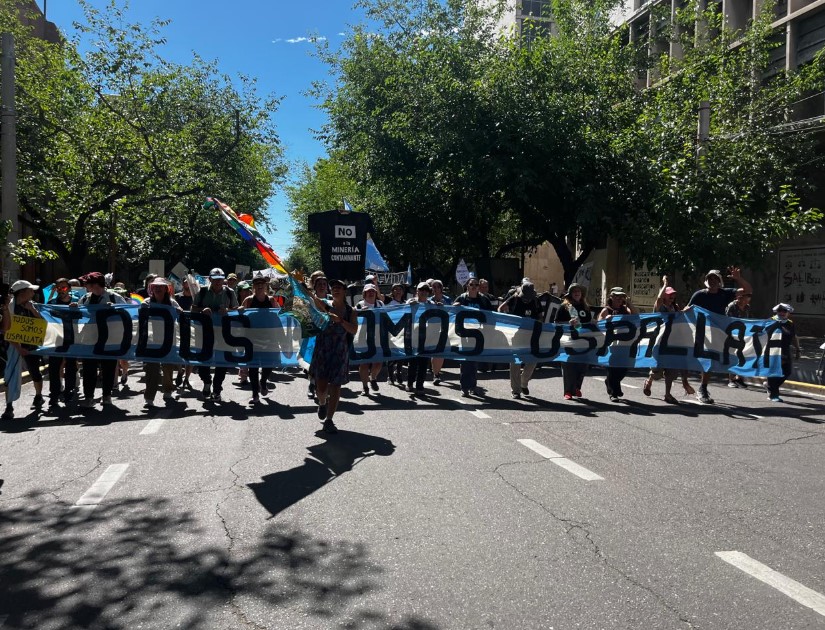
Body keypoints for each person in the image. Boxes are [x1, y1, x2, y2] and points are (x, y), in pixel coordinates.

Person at [686, 268, 752, 404]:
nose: (712, 281)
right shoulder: (699, 295)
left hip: (719, 333)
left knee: (712, 359)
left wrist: (738, 278)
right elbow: (688, 309)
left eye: (715, 278)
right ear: (706, 281)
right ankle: (701, 388)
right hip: (702, 332)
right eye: (710, 278)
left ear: (719, 281)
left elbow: (748, 290)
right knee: (707, 358)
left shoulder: (725, 293)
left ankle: (703, 387)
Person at [311, 278, 358, 434]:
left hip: (340, 351)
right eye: (334, 287)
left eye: (339, 287)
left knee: (336, 386)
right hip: (323, 349)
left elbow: (353, 330)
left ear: (344, 291)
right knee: (322, 386)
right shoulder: (324, 305)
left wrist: (341, 321)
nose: (336, 289)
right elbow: (312, 298)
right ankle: (322, 402)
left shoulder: (351, 311)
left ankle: (329, 420)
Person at [73, 272, 126, 408]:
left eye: (87, 283)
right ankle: (89, 397)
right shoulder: (85, 298)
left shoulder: (115, 297)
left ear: (95, 284)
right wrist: (74, 309)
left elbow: (127, 314)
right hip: (89, 339)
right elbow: (78, 316)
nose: (85, 285)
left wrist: (115, 309)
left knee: (109, 367)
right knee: (89, 368)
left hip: (110, 339)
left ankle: (107, 395)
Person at [642, 276, 694, 403]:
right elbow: (659, 299)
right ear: (665, 295)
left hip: (674, 344)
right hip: (660, 344)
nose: (672, 297)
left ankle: (667, 394)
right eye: (669, 294)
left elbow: (679, 319)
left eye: (673, 295)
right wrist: (665, 284)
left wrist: (684, 311)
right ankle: (649, 381)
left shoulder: (675, 308)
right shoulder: (660, 307)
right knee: (657, 372)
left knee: (672, 371)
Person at [192, 267, 238, 402]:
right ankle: (207, 381)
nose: (218, 282)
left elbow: (236, 310)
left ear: (223, 279)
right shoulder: (203, 291)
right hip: (204, 333)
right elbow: (192, 309)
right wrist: (202, 310)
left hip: (223, 333)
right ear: (210, 279)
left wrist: (227, 311)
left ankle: (217, 389)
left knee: (222, 362)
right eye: (215, 279)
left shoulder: (230, 292)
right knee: (202, 360)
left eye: (220, 279)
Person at [1, 280, 45, 419]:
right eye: (30, 290)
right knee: (11, 374)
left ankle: (38, 396)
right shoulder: (9, 307)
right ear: (23, 292)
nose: (33, 292)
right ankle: (9, 407)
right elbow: (7, 330)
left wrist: (32, 310)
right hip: (13, 347)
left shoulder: (32, 305)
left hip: (30, 346)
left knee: (35, 372)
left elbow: (43, 324)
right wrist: (18, 348)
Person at [142, 278, 182, 408]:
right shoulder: (146, 302)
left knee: (168, 367)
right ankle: (149, 398)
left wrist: (180, 312)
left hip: (168, 341)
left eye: (161, 286)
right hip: (151, 342)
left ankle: (168, 390)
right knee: (151, 370)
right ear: (152, 288)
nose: (158, 288)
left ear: (166, 289)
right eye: (155, 286)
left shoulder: (172, 303)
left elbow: (180, 316)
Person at [498, 279, 542, 398]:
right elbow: (500, 309)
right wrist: (507, 321)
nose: (526, 299)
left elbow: (540, 316)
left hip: (531, 334)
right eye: (525, 297)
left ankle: (523, 382)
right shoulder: (515, 298)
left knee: (533, 360)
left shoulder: (536, 301)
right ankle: (516, 390)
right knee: (515, 362)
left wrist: (539, 324)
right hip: (516, 334)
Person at [239, 273, 277, 405]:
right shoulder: (248, 300)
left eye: (262, 284)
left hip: (269, 339)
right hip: (252, 340)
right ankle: (255, 394)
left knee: (268, 365)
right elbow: (241, 316)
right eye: (257, 284)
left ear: (266, 286)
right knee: (253, 367)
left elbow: (279, 317)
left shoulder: (271, 300)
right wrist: (240, 310)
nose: (260, 286)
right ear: (253, 286)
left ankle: (264, 381)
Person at [453, 275, 493, 397]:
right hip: (465, 333)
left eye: (476, 285)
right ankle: (464, 387)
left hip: (478, 334)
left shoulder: (484, 300)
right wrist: (455, 307)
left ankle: (473, 386)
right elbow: (452, 312)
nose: (474, 287)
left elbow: (490, 315)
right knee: (465, 361)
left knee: (475, 361)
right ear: (467, 287)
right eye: (472, 285)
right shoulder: (462, 298)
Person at [597, 288, 636, 402]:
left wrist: (629, 303)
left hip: (624, 345)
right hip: (611, 346)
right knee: (613, 369)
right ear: (611, 297)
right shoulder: (607, 310)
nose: (620, 299)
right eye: (617, 296)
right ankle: (613, 393)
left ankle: (610, 382)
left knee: (623, 369)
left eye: (622, 297)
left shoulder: (625, 310)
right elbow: (599, 324)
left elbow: (636, 316)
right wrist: (606, 320)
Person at [555, 283, 592, 400]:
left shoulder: (585, 307)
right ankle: (568, 391)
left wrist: (595, 322)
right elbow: (556, 323)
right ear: (570, 294)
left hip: (583, 341)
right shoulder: (564, 307)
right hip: (568, 340)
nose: (577, 293)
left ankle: (576, 387)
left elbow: (589, 322)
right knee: (568, 365)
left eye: (579, 291)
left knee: (583, 365)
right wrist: (568, 323)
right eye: (574, 291)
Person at [45, 278, 78, 406]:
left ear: (69, 289)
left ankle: (69, 392)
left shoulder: (77, 302)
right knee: (53, 368)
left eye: (64, 288)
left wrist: (76, 309)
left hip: (72, 338)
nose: (61, 291)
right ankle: (54, 394)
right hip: (56, 339)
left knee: (71, 366)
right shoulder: (52, 302)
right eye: (59, 288)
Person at [765, 303, 801, 403]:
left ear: (788, 313)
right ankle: (773, 394)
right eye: (780, 311)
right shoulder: (770, 321)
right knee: (774, 372)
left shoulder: (790, 323)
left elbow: (794, 337)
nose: (782, 313)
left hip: (785, 350)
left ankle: (770, 386)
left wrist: (798, 349)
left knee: (787, 372)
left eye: (784, 311)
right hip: (772, 350)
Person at [406, 282, 435, 392]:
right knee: (413, 363)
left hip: (426, 339)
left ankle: (419, 386)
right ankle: (409, 383)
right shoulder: (410, 302)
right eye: (421, 290)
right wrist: (408, 307)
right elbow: (402, 314)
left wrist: (440, 307)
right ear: (417, 291)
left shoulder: (431, 303)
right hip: (413, 338)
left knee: (423, 364)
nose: (423, 292)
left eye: (426, 290)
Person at [355, 283, 384, 395]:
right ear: (364, 293)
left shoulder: (380, 303)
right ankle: (365, 387)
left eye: (373, 291)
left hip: (378, 337)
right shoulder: (359, 304)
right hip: (363, 337)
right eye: (368, 291)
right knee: (364, 363)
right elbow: (353, 317)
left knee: (378, 362)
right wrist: (359, 312)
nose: (371, 293)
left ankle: (373, 378)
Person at [725, 288, 753, 389]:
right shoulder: (732, 306)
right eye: (746, 296)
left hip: (744, 334)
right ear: (740, 296)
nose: (748, 299)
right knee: (733, 356)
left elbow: (748, 319)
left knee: (743, 355)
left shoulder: (747, 307)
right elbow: (727, 319)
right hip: (732, 334)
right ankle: (731, 379)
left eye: (749, 297)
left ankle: (740, 378)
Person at [386, 283, 407, 385]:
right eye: (396, 289)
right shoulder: (389, 304)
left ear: (403, 292)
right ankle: (390, 376)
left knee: (401, 355)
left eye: (400, 289)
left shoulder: (406, 303)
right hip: (392, 332)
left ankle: (398, 372)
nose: (398, 291)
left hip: (403, 333)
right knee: (392, 355)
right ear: (392, 292)